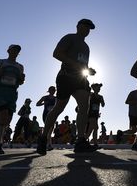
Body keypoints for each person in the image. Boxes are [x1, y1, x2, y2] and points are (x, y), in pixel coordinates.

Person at [36, 19, 98, 155]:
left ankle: (81, 141)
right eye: (85, 26)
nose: (87, 29)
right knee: (59, 107)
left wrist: (88, 70)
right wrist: (75, 65)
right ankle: (43, 137)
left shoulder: (86, 47)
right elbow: (57, 53)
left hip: (80, 79)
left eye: (89, 28)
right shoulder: (69, 38)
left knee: (84, 105)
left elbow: (82, 65)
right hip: (66, 76)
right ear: (78, 26)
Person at [0, 44, 25, 154]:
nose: (15, 52)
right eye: (13, 50)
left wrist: (22, 79)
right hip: (0, 92)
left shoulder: (20, 66)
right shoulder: (0, 62)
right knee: (2, 117)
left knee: (7, 122)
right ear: (8, 51)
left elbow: (21, 82)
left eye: (17, 50)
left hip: (12, 94)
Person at [36, 86, 57, 151]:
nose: (52, 91)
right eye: (51, 90)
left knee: (51, 129)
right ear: (49, 90)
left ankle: (49, 144)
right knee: (47, 128)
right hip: (46, 114)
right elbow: (37, 104)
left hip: (53, 114)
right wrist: (44, 103)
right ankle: (47, 144)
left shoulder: (56, 98)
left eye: (53, 90)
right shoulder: (45, 97)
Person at [85, 83, 105, 148]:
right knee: (95, 127)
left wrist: (102, 102)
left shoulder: (100, 97)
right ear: (94, 88)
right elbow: (85, 102)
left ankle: (83, 141)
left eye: (99, 88)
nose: (99, 89)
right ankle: (95, 143)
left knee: (92, 128)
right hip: (90, 113)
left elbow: (103, 105)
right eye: (98, 88)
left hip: (96, 114)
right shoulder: (90, 95)